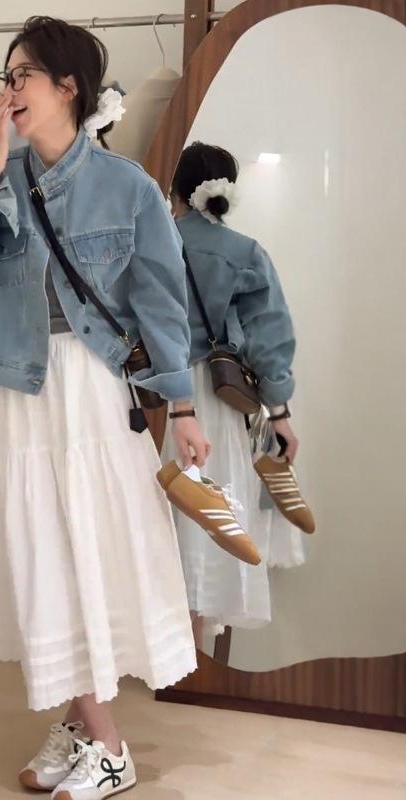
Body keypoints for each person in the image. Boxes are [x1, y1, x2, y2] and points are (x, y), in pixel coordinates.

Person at [0, 17, 209, 799]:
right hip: (17, 390)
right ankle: (83, 726)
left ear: (68, 86)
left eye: (22, 75)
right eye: (5, 76)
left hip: (88, 391)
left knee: (88, 547)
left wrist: (183, 407)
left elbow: (162, 305)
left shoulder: (127, 187)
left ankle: (109, 744)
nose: (7, 90)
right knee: (41, 552)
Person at [165, 141, 304, 647]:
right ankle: (194, 655)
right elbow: (270, 339)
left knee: (156, 520)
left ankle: (159, 651)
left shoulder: (154, 239)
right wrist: (280, 413)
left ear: (176, 190)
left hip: (155, 395)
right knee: (209, 519)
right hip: (216, 398)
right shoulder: (245, 252)